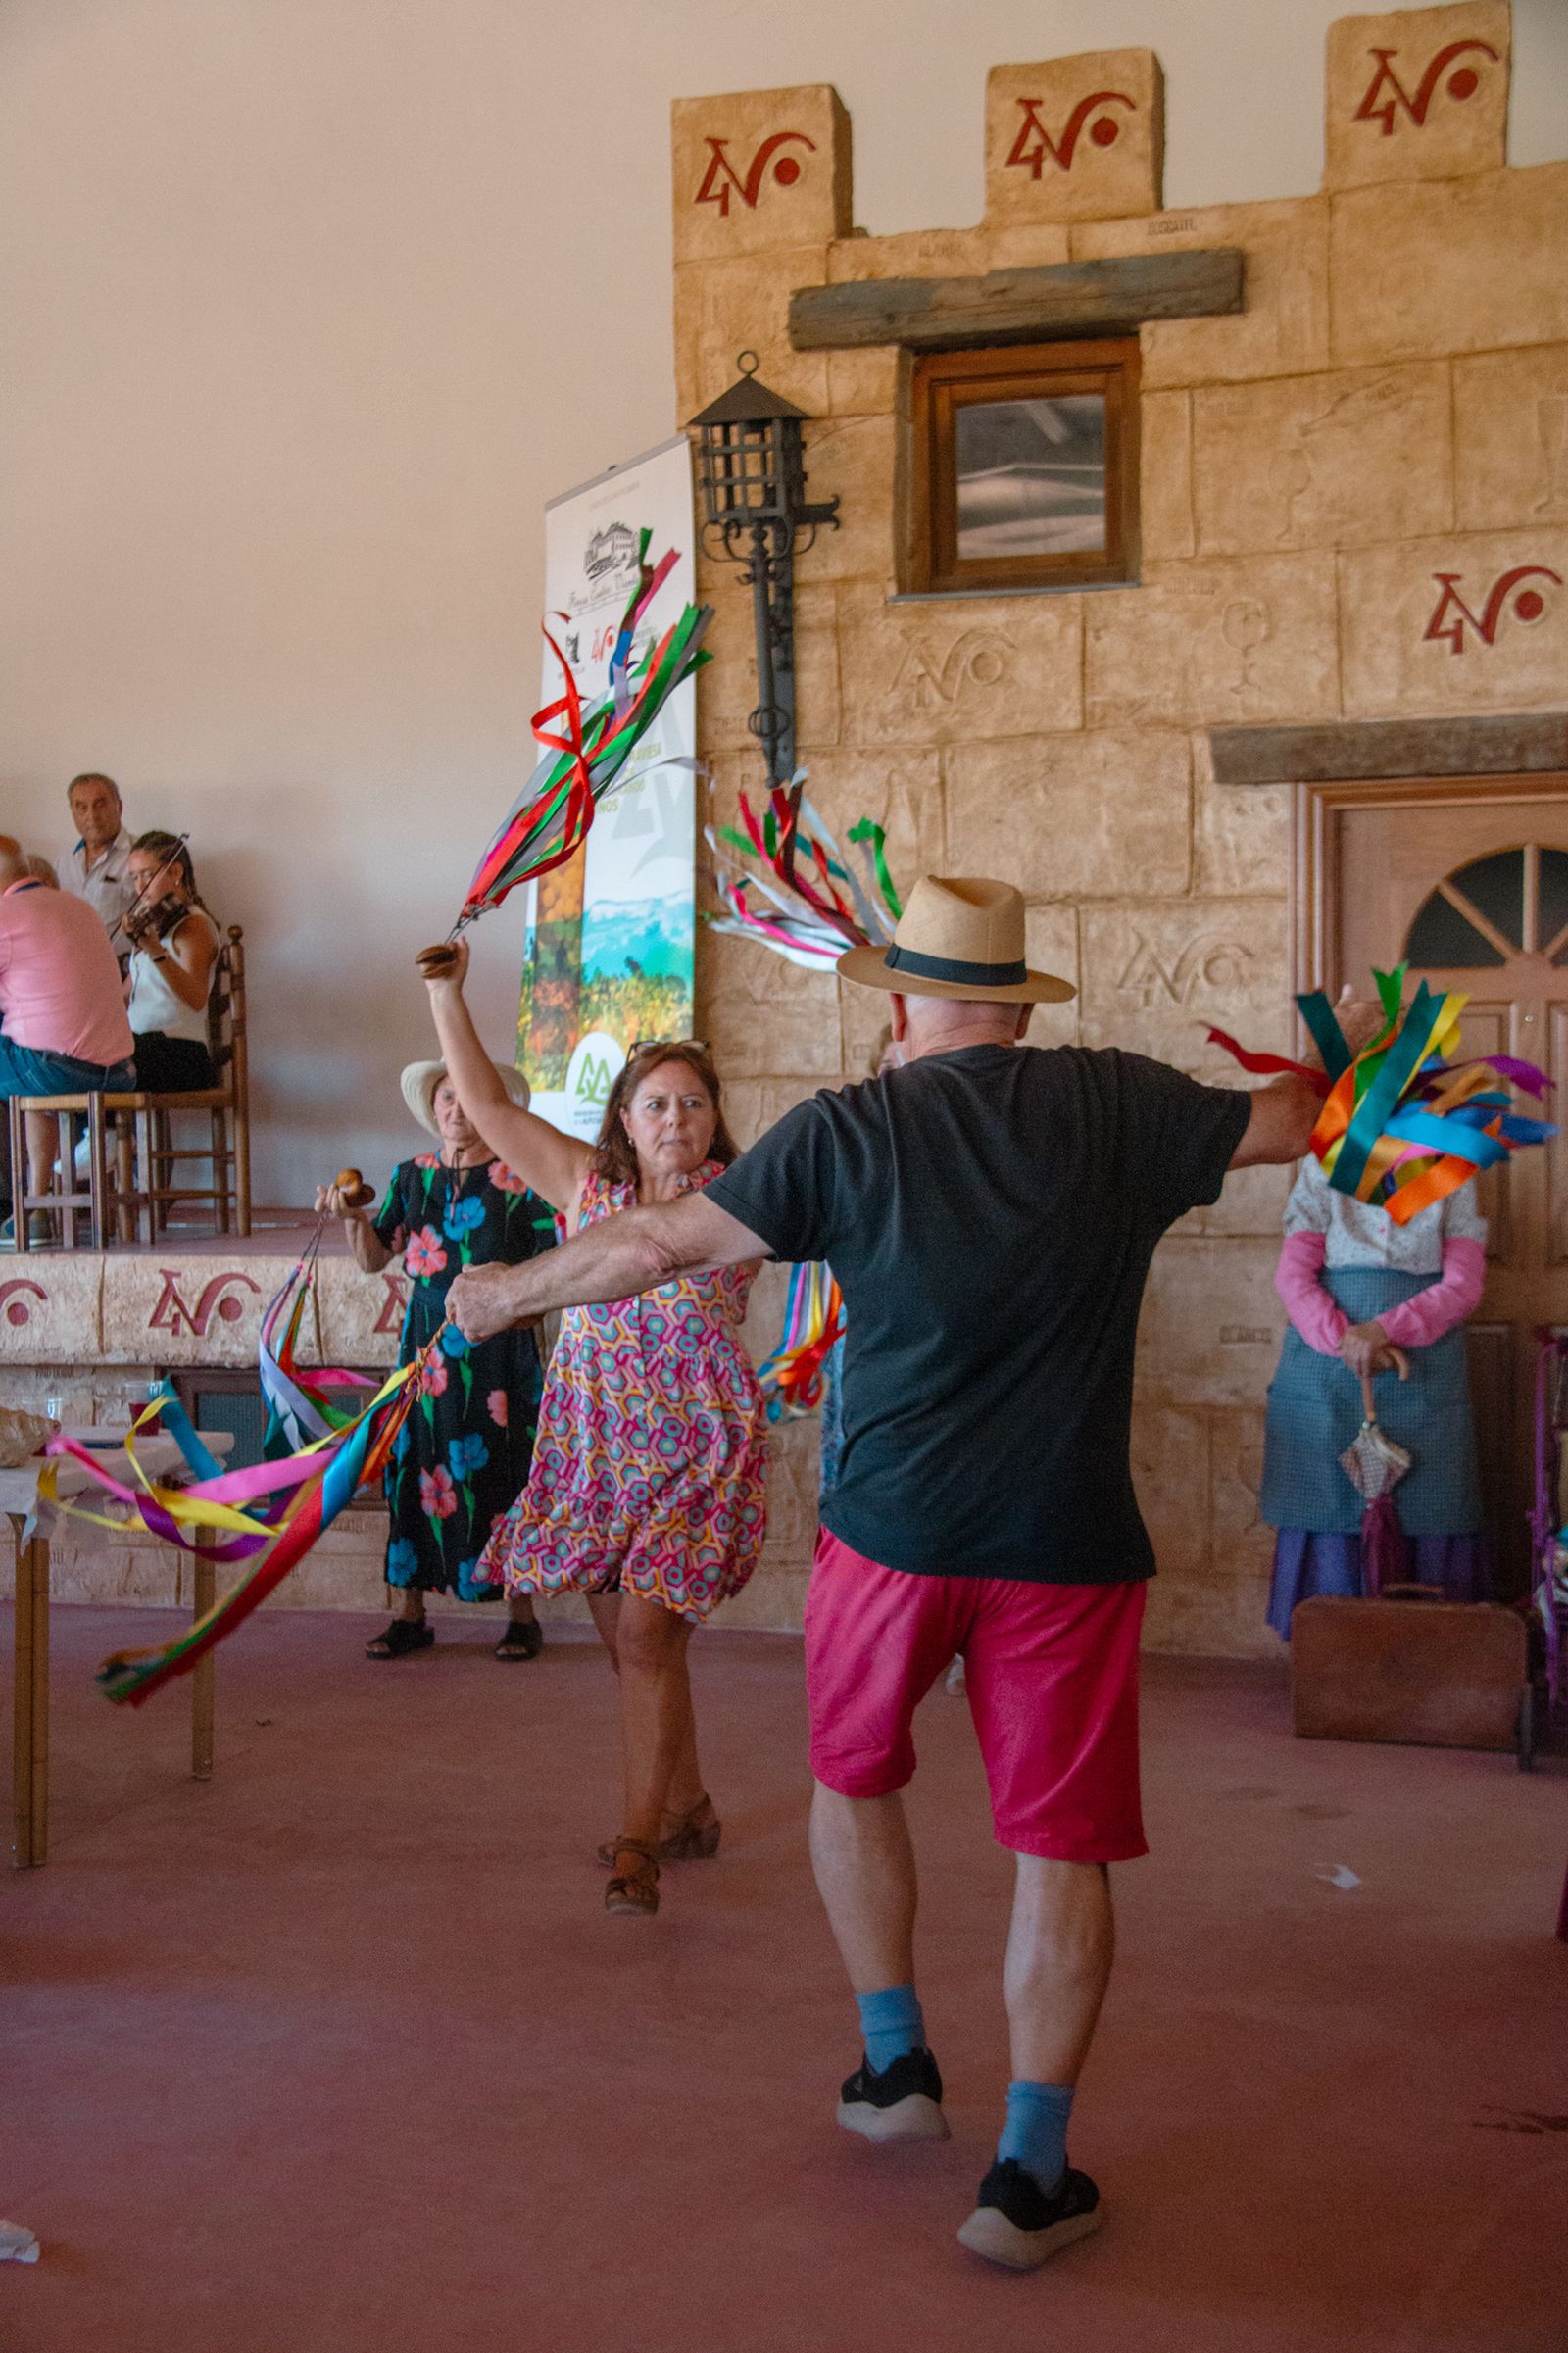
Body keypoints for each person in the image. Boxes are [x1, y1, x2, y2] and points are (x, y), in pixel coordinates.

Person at [442, 874, 1375, 2270]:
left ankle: (895, 2070)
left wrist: (503, 1293)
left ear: (900, 1005)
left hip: (889, 1536)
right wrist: (1342, 1033)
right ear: (1015, 1003)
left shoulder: (847, 1127)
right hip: (1064, 1542)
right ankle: (1030, 2170)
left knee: (855, 1779)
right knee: (1058, 1846)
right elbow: (1304, 1120)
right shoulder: (1117, 1102)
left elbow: (651, 1241)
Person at [421, 938, 765, 1920]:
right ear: (624, 1117)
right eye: (655, 1102)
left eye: (692, 1102)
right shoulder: (590, 1190)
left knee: (651, 1639)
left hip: (698, 1453)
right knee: (636, 1652)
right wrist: (444, 990)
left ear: (714, 1119)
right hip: (598, 1448)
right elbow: (486, 1109)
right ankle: (689, 1806)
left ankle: (637, 1846)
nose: (675, 1118)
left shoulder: (740, 1199)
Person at [316, 1059, 555, 1661]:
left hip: (499, 1353)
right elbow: (375, 1260)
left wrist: (519, 1309)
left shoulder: (521, 1179)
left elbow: (554, 1269)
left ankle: (520, 1616)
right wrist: (353, 1220)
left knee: (503, 1471)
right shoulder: (411, 1178)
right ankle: (411, 1613)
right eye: (446, 1097)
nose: (454, 1108)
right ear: (435, 1107)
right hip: (426, 1350)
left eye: (466, 1097)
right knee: (415, 1467)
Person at [1260, 1154, 1489, 1629]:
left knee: (1431, 1504)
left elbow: (1464, 1285)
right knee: (1328, 1504)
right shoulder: (1324, 1164)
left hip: (1424, 1366)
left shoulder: (1453, 1169)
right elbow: (1293, 1275)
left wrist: (1385, 1331)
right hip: (1328, 1368)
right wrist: (1343, 1341)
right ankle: (1336, 1659)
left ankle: (1430, 1660)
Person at [0, 833, 135, 1243]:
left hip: (55, 1070)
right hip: (120, 1071)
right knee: (31, 1057)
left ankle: (29, 1203)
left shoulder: (6, 914)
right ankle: (36, 1207)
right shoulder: (79, 907)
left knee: (31, 1061)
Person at [123, 832, 219, 1092]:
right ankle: (99, 1132)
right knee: (77, 1058)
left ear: (176, 871)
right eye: (134, 877)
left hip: (179, 1053)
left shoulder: (193, 925)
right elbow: (123, 996)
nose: (139, 887)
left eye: (146, 874)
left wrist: (154, 949)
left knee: (97, 1068)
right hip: (144, 1048)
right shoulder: (154, 926)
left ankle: (99, 1132)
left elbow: (197, 997)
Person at [62, 772, 136, 955]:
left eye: (100, 804)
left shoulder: (140, 856)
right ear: (72, 812)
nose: (92, 815)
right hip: (73, 966)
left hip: (124, 970)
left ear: (119, 806)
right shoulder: (63, 860)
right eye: (81, 807)